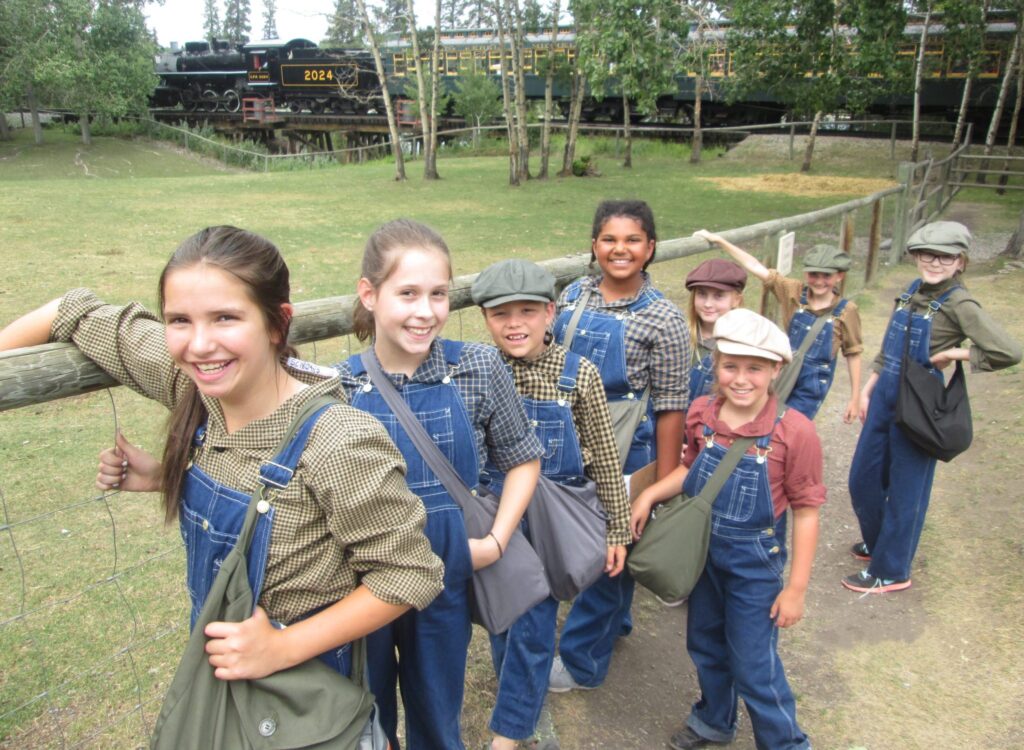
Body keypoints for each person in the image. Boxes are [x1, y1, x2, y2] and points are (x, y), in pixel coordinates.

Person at [0, 226, 444, 684]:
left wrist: (280, 647)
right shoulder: (195, 389)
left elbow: (408, 573)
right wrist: (170, 476)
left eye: (226, 318)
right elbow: (71, 310)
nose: (199, 344)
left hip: (304, 695)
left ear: (277, 323)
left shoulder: (339, 440)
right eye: (179, 320)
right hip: (217, 679)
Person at [333, 219, 543, 750]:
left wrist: (494, 543)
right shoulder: (337, 387)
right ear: (369, 293)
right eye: (407, 293)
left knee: (437, 713)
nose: (425, 311)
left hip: (447, 577)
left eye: (438, 294)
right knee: (365, 715)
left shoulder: (478, 366)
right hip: (362, 584)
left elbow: (523, 459)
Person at [631, 308, 823, 750]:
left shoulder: (795, 432)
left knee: (754, 663)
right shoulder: (702, 413)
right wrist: (649, 495)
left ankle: (785, 742)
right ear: (715, 365)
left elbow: (807, 512)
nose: (741, 378)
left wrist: (795, 589)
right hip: (704, 558)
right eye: (730, 365)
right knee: (705, 645)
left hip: (755, 567)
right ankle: (714, 720)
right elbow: (692, 470)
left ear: (776, 369)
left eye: (755, 368)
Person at [470, 259, 631, 750]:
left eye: (527, 311)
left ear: (550, 313)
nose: (514, 324)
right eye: (501, 314)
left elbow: (604, 453)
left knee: (535, 624)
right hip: (497, 515)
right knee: (504, 615)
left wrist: (617, 528)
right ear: (485, 319)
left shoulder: (576, 374)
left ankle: (511, 734)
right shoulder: (477, 369)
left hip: (551, 523)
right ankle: (523, 705)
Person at [548, 199, 690, 692]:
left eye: (632, 240)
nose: (620, 249)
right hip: (570, 437)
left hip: (629, 445)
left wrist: (663, 481)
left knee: (610, 553)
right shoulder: (572, 294)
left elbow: (672, 405)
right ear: (594, 245)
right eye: (609, 239)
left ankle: (582, 662)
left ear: (650, 248)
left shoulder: (665, 319)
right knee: (594, 542)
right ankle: (617, 622)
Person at [845, 221, 1021, 593]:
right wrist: (868, 388)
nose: (935, 262)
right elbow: (889, 347)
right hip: (884, 396)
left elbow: (1008, 351)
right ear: (916, 256)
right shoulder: (912, 291)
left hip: (920, 401)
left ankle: (891, 569)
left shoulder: (960, 303)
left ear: (960, 262)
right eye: (927, 254)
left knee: (908, 486)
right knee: (863, 478)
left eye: (946, 256)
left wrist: (954, 353)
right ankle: (880, 544)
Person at [695, 229, 864, 422]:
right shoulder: (793, 291)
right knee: (762, 421)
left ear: (839, 276)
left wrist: (855, 397)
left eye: (826, 276)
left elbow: (853, 353)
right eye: (813, 274)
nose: (819, 281)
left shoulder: (847, 310)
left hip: (812, 384)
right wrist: (720, 241)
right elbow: (756, 266)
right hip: (783, 373)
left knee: (789, 426)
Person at [684, 258, 748, 403]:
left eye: (718, 296)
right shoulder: (679, 336)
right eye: (701, 294)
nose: (708, 304)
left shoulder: (744, 346)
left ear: (736, 300)